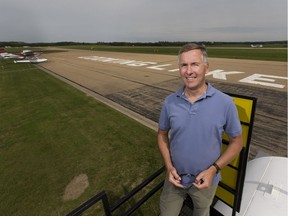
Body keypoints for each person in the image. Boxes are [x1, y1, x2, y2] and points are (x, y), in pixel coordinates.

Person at [157, 43, 243, 216]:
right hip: (175, 179)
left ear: (206, 67)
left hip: (206, 181)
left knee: (202, 212)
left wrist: (213, 170)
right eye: (183, 65)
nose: (189, 71)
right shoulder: (170, 102)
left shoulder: (225, 103)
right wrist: (169, 166)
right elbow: (162, 134)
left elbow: (237, 141)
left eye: (194, 64)